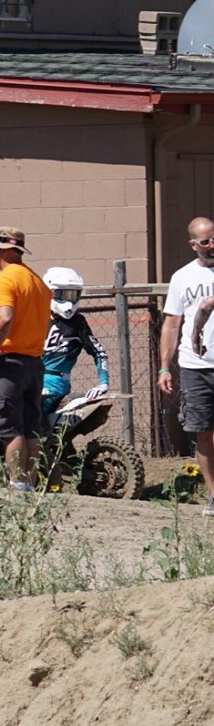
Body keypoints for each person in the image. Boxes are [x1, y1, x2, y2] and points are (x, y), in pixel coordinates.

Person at [0, 227, 51, 490]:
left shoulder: (5, 279)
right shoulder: (37, 281)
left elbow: (5, 316)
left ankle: (16, 484)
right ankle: (28, 485)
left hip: (8, 363)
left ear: (6, 250)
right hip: (33, 362)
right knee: (30, 427)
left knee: (10, 430)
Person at [157, 216, 214, 516]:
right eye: (205, 241)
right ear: (193, 245)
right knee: (203, 431)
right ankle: (213, 495)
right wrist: (164, 367)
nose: (212, 245)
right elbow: (171, 324)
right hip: (195, 366)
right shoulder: (182, 278)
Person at [40, 266, 110, 415]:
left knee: (27, 419)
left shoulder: (77, 323)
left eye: (72, 295)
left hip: (54, 383)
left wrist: (103, 383)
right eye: (62, 294)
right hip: (31, 378)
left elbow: (99, 352)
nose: (68, 301)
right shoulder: (36, 316)